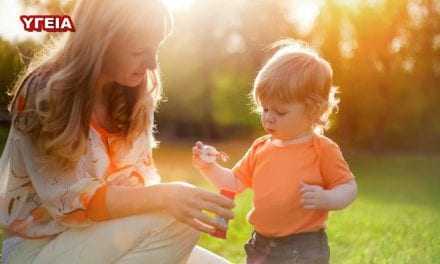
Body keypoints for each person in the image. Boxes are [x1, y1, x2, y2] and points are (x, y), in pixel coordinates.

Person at [0, 0, 234, 263]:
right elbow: (70, 204)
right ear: (101, 41)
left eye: (156, 48)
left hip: (105, 238)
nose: (152, 63)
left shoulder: (134, 91)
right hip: (39, 248)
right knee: (175, 221)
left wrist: (171, 195)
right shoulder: (46, 92)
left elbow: (138, 181)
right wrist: (166, 195)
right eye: (138, 51)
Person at [193, 42, 358, 264]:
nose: (268, 117)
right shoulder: (261, 148)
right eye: (265, 109)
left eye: (280, 111)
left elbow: (348, 187)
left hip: (304, 247)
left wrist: (327, 198)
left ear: (313, 110)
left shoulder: (322, 149)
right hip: (261, 244)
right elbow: (233, 182)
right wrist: (208, 167)